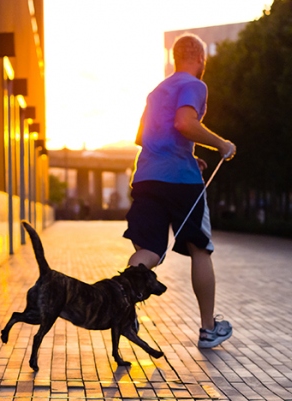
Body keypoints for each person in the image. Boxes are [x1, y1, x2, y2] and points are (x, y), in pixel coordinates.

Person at [123, 33, 236, 348]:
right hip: (181, 183)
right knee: (199, 249)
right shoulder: (195, 85)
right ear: (201, 59)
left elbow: (143, 137)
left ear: (174, 58)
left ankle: (124, 311)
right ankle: (208, 329)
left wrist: (189, 155)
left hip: (146, 177)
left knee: (149, 251)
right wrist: (220, 144)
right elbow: (184, 123)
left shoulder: (156, 91)